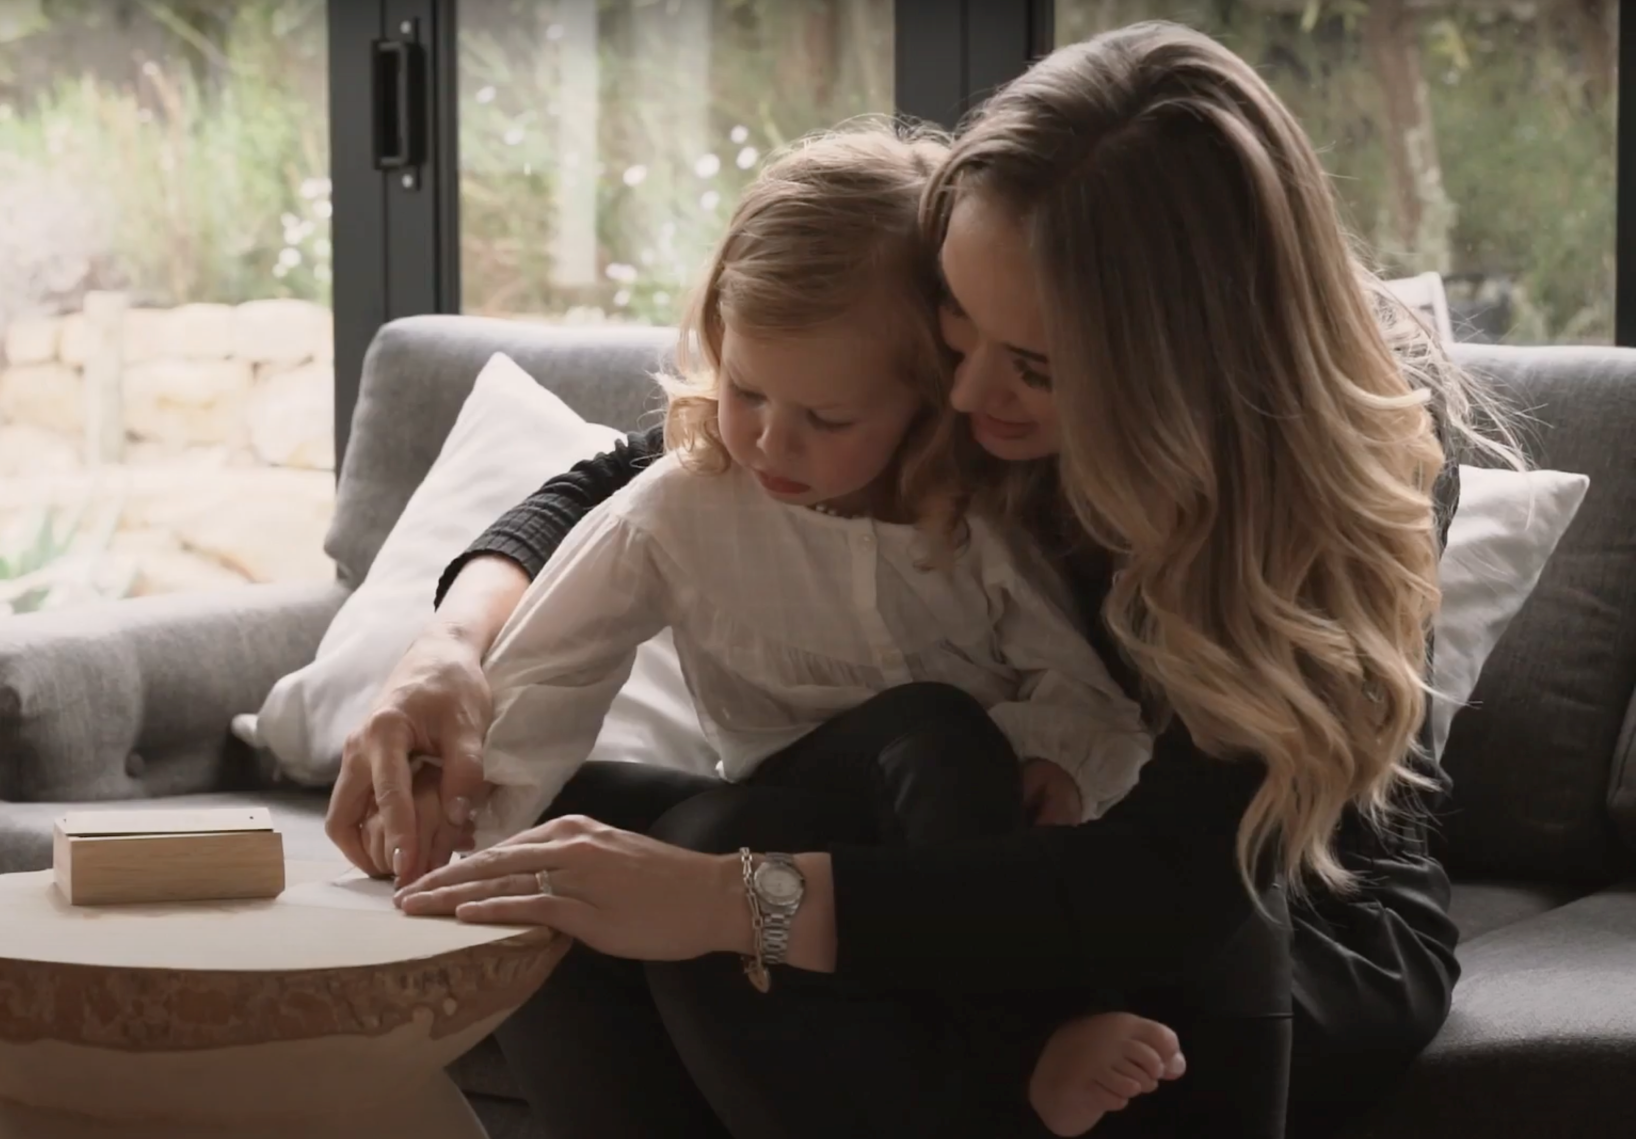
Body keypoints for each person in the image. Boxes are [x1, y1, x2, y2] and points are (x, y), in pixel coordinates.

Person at [329, 21, 1517, 1139]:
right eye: (953, 335)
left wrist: (727, 902)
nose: (962, 399)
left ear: (1173, 369)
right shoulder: (956, 392)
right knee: (584, 852)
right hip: (968, 840)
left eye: (1031, 368)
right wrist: (451, 647)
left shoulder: (1344, 460)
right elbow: (651, 469)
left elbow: (1170, 884)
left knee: (741, 876)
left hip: (1265, 919)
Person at [418, 121, 1177, 1134]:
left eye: (826, 417)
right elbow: (541, 679)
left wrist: (1060, 765)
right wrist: (455, 852)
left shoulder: (975, 522)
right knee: (578, 827)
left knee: (932, 724)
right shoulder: (678, 506)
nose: (771, 439)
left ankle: (1032, 1038)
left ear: (926, 398)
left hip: (940, 853)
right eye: (743, 390)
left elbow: (1085, 696)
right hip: (765, 818)